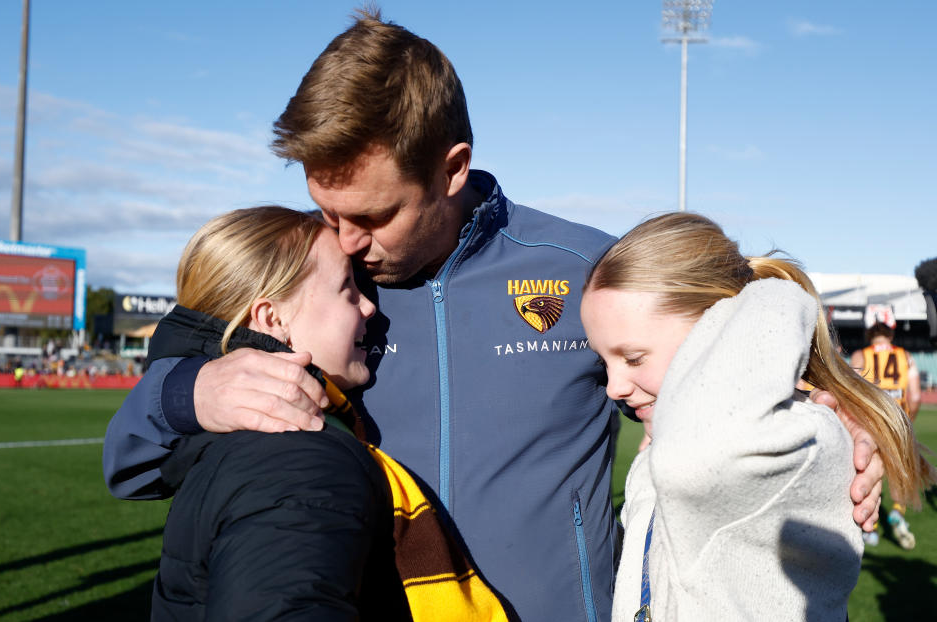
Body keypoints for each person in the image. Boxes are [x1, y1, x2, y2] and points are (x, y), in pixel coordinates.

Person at [103, 10, 884, 620]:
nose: (344, 243)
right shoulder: (319, 296)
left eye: (371, 216)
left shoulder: (584, 272)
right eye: (325, 211)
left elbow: (712, 370)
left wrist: (828, 426)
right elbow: (130, 462)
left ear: (452, 169)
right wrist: (192, 395)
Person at [147, 205, 508, 621]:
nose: (369, 309)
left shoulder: (230, 425)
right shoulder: (296, 456)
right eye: (347, 289)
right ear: (272, 317)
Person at [580, 213, 936, 621]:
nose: (613, 388)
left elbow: (695, 463)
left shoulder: (795, 444)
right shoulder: (656, 457)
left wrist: (759, 293)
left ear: (720, 324)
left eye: (633, 357)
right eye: (605, 361)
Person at [850, 305, 922, 549]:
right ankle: (898, 514)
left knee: (871, 475)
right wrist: (906, 425)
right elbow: (915, 398)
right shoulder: (906, 357)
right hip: (898, 425)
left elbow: (851, 395)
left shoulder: (861, 356)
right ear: (892, 329)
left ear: (868, 329)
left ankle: (871, 530)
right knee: (899, 475)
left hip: (871, 426)